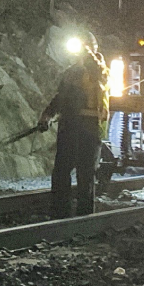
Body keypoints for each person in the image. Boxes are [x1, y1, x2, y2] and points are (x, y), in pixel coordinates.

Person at [38, 35, 109, 218]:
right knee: (61, 171)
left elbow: (95, 75)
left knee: (85, 174)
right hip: (69, 126)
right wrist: (47, 115)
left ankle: (84, 217)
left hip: (89, 129)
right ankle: (60, 214)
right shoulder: (72, 73)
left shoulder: (99, 71)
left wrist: (87, 54)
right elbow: (61, 97)